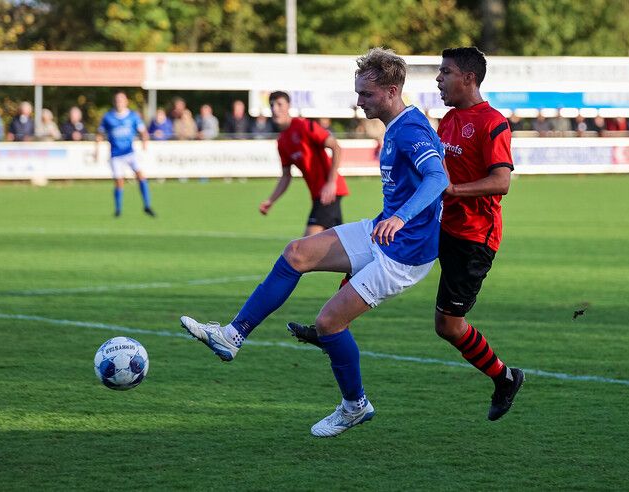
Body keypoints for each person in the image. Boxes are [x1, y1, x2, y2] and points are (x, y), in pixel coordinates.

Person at [180, 47, 449, 437]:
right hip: (381, 232)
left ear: (392, 91)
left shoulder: (411, 129)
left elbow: (438, 179)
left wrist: (400, 217)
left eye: (366, 95)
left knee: (328, 322)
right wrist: (390, 218)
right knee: (296, 252)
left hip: (406, 254)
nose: (358, 103)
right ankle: (232, 336)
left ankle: (355, 406)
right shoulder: (395, 126)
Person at [289, 47, 524, 422]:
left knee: (448, 326)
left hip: (473, 237)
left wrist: (451, 191)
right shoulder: (445, 122)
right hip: (435, 226)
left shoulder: (492, 122)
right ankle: (331, 325)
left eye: (445, 72)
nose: (438, 79)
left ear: (469, 78)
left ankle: (505, 377)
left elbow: (502, 181)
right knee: (375, 248)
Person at [260, 90, 349, 237]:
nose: (275, 109)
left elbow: (336, 147)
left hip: (328, 192)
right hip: (318, 195)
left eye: (279, 104)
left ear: (288, 106)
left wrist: (331, 182)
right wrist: (271, 200)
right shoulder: (282, 141)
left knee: (304, 248)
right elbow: (286, 176)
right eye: (272, 105)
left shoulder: (304, 126)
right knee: (336, 247)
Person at [95, 91, 155, 218]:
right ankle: (118, 210)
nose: (119, 103)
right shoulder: (108, 117)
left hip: (130, 152)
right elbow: (99, 134)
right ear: (114, 102)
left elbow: (143, 131)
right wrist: (97, 150)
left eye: (121, 100)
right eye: (117, 100)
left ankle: (147, 205)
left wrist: (145, 143)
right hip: (116, 155)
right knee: (119, 182)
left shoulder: (133, 116)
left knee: (141, 176)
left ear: (126, 102)